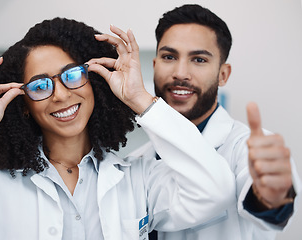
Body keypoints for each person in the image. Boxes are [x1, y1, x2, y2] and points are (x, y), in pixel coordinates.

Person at [0, 17, 237, 239]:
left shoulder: (138, 180)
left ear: (95, 83)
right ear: (25, 105)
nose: (60, 94)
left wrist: (140, 99)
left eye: (72, 75)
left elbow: (215, 192)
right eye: (40, 85)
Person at [125, 4, 300, 240]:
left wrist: (273, 196)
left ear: (223, 74)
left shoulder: (248, 149)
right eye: (169, 57)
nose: (180, 72)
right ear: (154, 66)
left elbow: (269, 209)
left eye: (198, 59)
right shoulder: (136, 161)